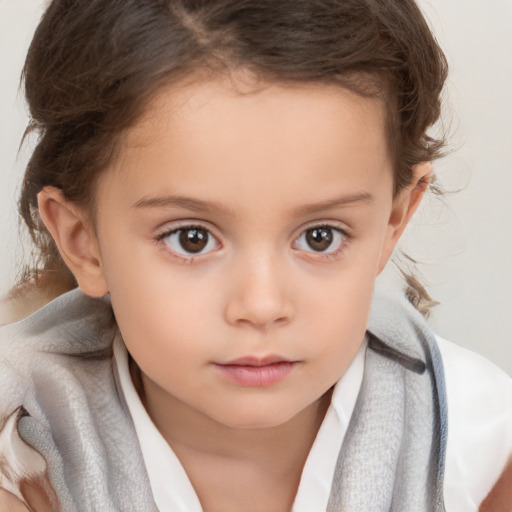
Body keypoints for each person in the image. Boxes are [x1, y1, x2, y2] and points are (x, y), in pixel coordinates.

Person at [0, 1, 511, 511]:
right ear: (83, 239)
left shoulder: (477, 441)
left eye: (320, 237)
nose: (262, 305)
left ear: (393, 220)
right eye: (191, 239)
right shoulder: (20, 441)